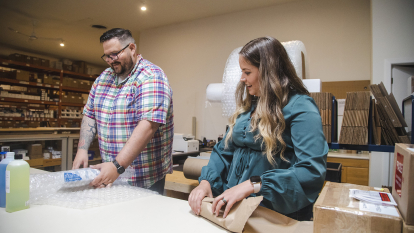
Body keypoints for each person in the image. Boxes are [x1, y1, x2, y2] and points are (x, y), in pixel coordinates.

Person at [188, 37, 328, 221]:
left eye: (247, 72)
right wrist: (206, 181)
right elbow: (223, 151)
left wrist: (252, 184)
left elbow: (311, 171)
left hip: (272, 212)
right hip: (234, 209)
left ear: (269, 72)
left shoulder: (301, 107)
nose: (242, 78)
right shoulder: (248, 108)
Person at [72, 28, 174, 194]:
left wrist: (117, 165)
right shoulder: (102, 79)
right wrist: (82, 149)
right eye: (106, 56)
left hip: (143, 178)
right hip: (111, 174)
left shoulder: (151, 76)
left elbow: (148, 125)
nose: (110, 60)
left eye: (114, 54)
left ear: (132, 48)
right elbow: (90, 115)